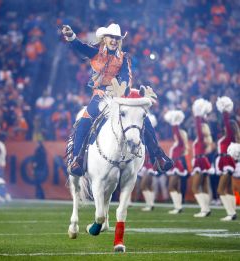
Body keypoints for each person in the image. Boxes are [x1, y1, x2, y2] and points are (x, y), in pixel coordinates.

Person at [61, 23, 173, 176]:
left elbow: (127, 76)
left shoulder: (124, 57)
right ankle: (77, 159)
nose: (114, 40)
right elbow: (80, 47)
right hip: (100, 95)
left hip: (119, 95)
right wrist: (71, 36)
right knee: (84, 121)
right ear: (105, 39)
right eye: (111, 37)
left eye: (116, 38)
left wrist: (123, 88)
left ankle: (158, 156)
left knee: (143, 118)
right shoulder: (95, 52)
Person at [215, 97, 239, 221]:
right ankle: (232, 212)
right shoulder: (228, 137)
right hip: (225, 163)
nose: (223, 128)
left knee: (220, 189)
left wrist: (225, 110)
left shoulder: (229, 136)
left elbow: (225, 121)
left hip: (227, 163)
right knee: (229, 189)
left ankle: (231, 213)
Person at [191, 98, 215, 217]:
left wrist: (197, 116)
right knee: (205, 185)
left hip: (200, 160)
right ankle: (206, 209)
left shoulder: (201, 138)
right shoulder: (204, 139)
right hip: (203, 160)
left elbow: (199, 127)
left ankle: (204, 209)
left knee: (195, 187)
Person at [164, 110, 189, 214]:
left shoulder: (180, 143)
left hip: (177, 166)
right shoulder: (178, 144)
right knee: (175, 187)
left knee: (171, 187)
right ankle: (178, 207)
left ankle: (178, 207)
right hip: (176, 165)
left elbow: (177, 132)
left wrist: (175, 123)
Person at [139, 114, 158, 211]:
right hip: (147, 165)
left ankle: (150, 205)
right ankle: (151, 204)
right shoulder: (147, 135)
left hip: (150, 165)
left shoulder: (152, 136)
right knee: (148, 185)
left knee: (143, 185)